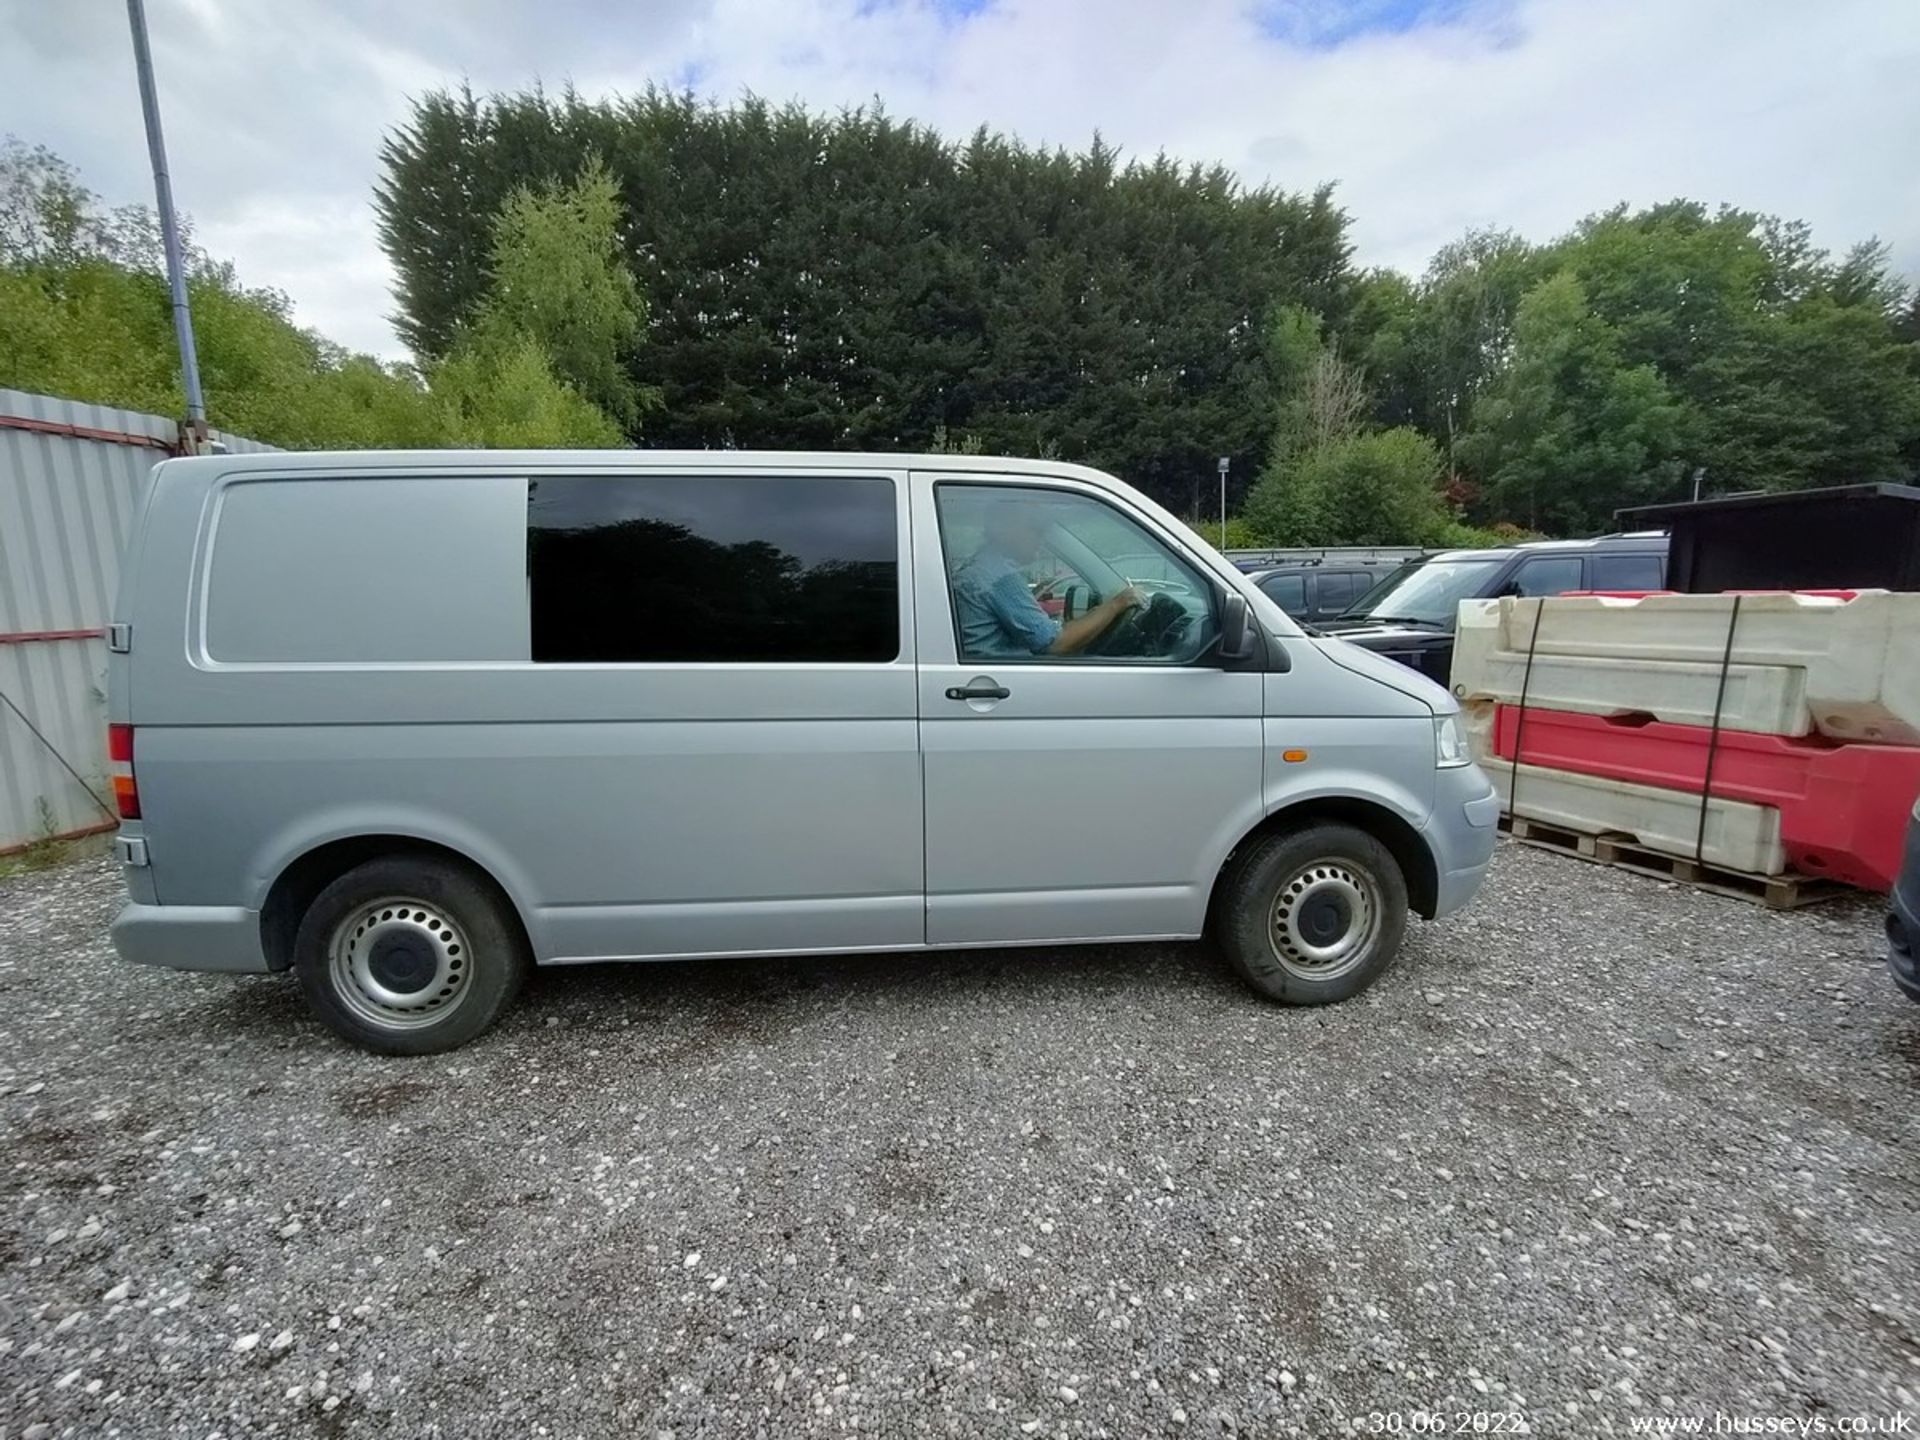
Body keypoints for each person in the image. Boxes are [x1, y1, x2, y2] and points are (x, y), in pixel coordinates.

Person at [951, 501, 1140, 658]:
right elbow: (1055, 644)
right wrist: (1117, 604)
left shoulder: (982, 567)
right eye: (1036, 527)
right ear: (1004, 530)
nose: (1041, 536)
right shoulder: (999, 577)